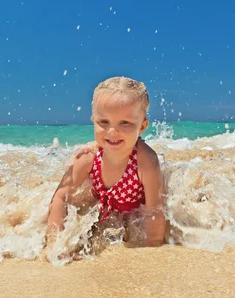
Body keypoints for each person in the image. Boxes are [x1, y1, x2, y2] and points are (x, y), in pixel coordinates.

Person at [46, 76, 166, 257]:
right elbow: (60, 198)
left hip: (135, 215)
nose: (112, 131)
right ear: (94, 120)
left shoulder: (145, 161)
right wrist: (54, 245)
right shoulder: (87, 158)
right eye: (104, 122)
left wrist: (151, 251)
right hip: (103, 214)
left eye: (125, 123)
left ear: (142, 127)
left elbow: (155, 212)